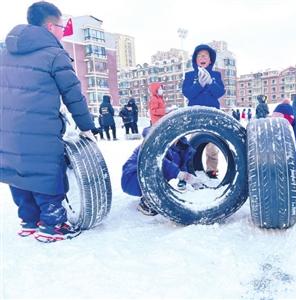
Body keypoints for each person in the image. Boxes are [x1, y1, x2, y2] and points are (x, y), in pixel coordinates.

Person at [0, 1, 98, 242]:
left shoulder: (4, 52)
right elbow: (73, 94)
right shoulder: (54, 54)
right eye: (62, 28)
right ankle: (52, 225)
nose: (63, 33)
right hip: (40, 128)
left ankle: (29, 221)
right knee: (46, 170)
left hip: (7, 129)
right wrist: (86, 126)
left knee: (18, 170)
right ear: (50, 26)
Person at [121, 109, 203, 216]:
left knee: (164, 177)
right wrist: (181, 175)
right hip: (133, 176)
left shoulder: (181, 146)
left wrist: (191, 180)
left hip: (151, 177)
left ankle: (154, 195)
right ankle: (147, 202)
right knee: (154, 168)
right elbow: (159, 161)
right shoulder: (153, 142)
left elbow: (183, 163)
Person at [182, 44, 225, 179]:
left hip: (212, 114)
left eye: (205, 55)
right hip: (195, 115)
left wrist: (211, 83)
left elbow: (220, 92)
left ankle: (211, 171)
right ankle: (192, 169)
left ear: (210, 60)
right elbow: (187, 93)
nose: (202, 57)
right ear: (195, 60)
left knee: (212, 145)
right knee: (194, 143)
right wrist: (199, 84)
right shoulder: (189, 75)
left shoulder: (216, 75)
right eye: (199, 55)